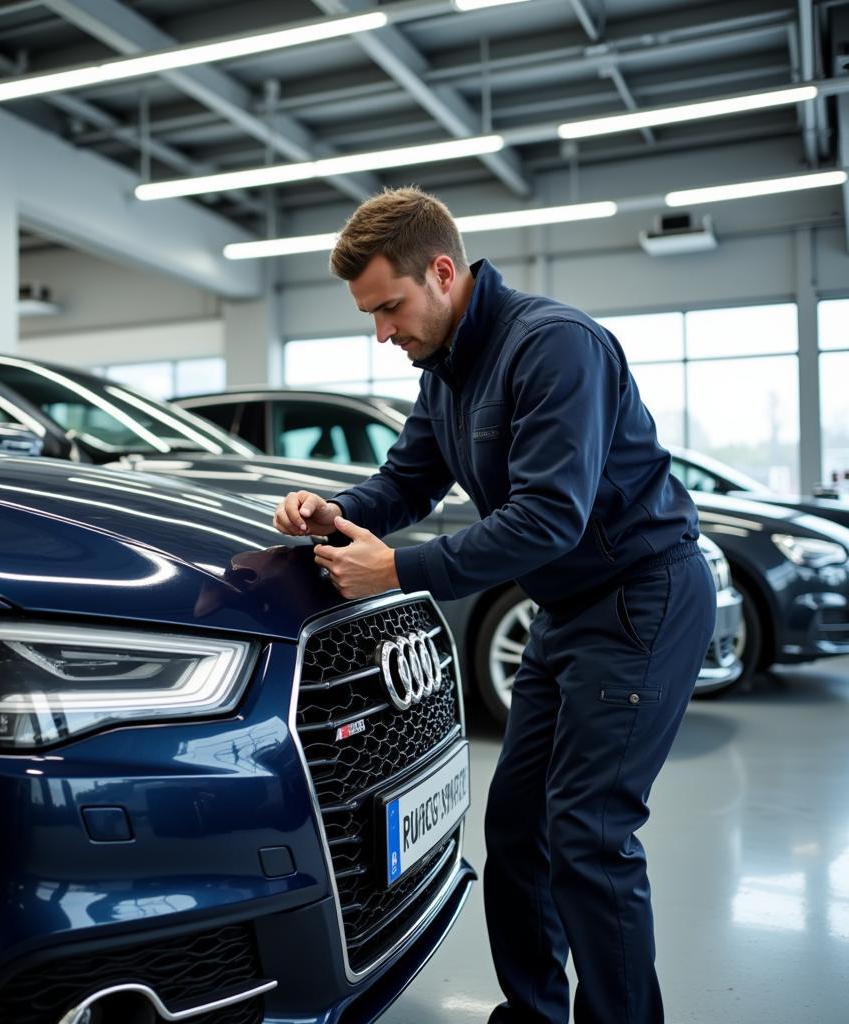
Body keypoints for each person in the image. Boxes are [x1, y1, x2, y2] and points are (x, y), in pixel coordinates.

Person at [273, 186, 715, 1024]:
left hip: (641, 601)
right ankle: (536, 1014)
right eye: (370, 315)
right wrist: (331, 511)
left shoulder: (554, 347)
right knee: (517, 832)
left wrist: (398, 572)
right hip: (566, 611)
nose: (382, 333)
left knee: (589, 837)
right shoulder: (444, 369)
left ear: (443, 272)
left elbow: (551, 517)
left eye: (390, 308)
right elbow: (404, 483)